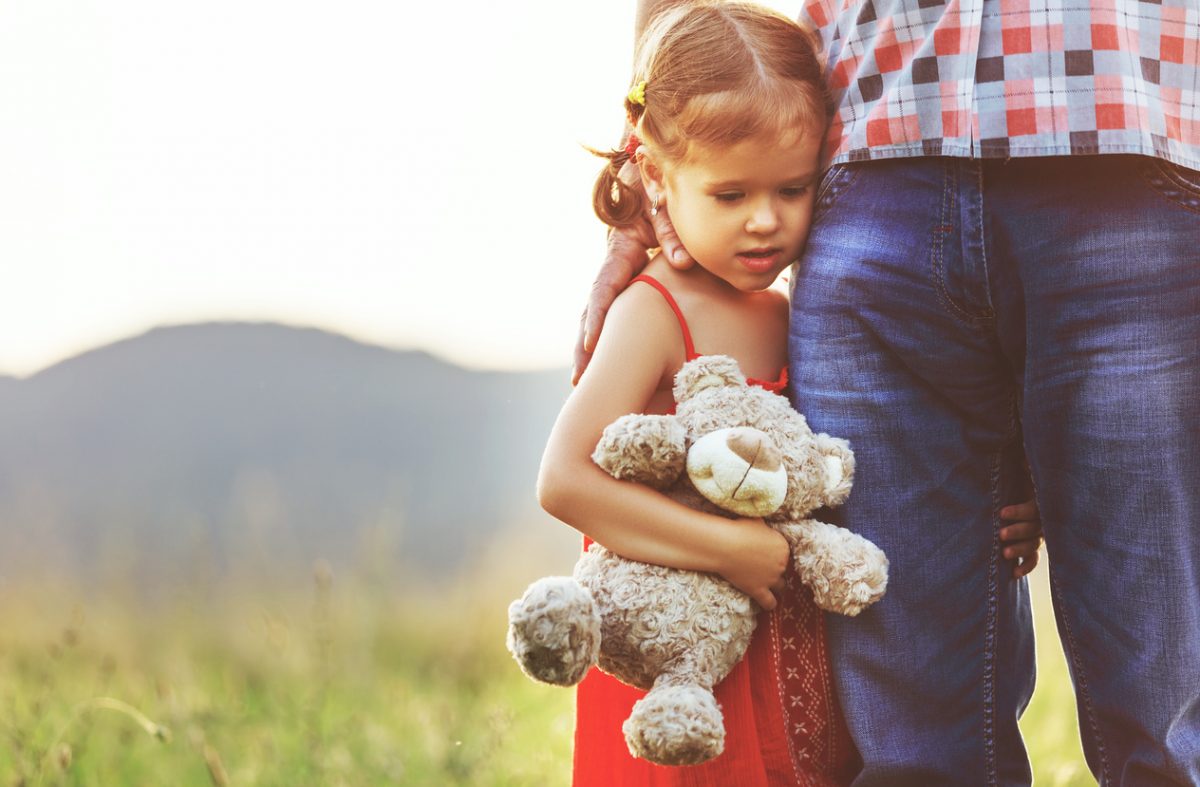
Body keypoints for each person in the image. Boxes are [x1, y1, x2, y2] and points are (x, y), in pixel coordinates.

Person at [578, 0, 1200, 785]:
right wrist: (644, 173)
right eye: (731, 197)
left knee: (1165, 723)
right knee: (914, 750)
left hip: (1127, 150)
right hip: (873, 175)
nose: (757, 220)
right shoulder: (732, 266)